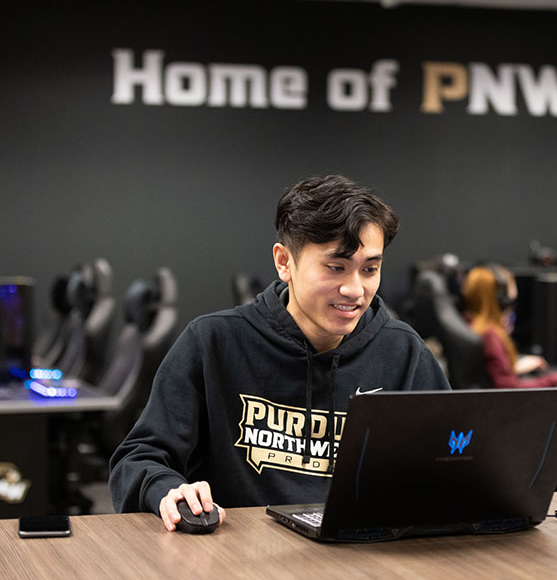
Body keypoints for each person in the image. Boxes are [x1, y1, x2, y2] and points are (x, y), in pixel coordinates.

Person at [109, 174, 450, 531]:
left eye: (370, 269)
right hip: (236, 556)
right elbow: (137, 459)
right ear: (284, 262)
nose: (355, 289)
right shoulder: (212, 342)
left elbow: (453, 465)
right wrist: (169, 489)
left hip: (361, 555)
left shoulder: (403, 351)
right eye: (336, 267)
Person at [462, 265, 557, 389]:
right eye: (510, 301)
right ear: (500, 300)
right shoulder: (490, 335)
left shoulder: (469, 324)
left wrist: (512, 368)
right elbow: (508, 387)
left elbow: (486, 374)